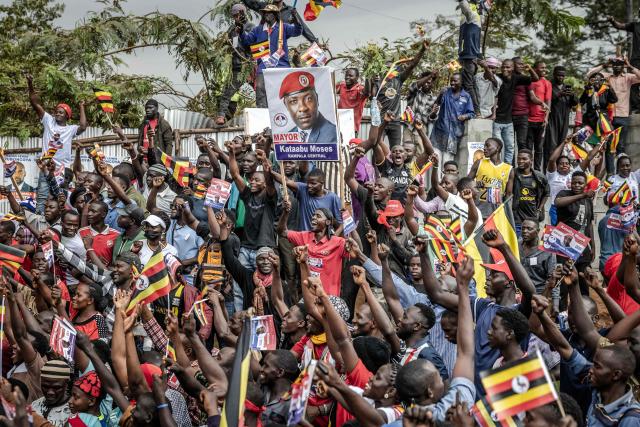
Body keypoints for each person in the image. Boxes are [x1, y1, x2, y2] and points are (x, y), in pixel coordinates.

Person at [239, 4, 303, 108]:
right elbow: (246, 40)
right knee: (260, 88)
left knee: (283, 91)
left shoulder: (283, 27)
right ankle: (263, 113)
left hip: (281, 66)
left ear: (275, 15)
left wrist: (295, 18)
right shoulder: (258, 30)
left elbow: (298, 31)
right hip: (263, 66)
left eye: (268, 13)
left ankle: (283, 113)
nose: (265, 15)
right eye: (264, 13)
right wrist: (241, 30)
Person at [586, 57, 640, 173]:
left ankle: (620, 174)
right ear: (611, 66)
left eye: (620, 64)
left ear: (623, 66)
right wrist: (604, 65)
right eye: (614, 64)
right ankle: (611, 174)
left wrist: (630, 67)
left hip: (623, 116)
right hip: (608, 118)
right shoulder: (606, 76)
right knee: (610, 147)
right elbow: (589, 75)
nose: (616, 66)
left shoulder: (628, 78)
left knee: (620, 147)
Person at [373, 42, 427, 148]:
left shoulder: (398, 80)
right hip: (380, 120)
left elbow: (412, 65)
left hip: (395, 121)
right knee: (377, 147)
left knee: (396, 149)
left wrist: (422, 50)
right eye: (387, 67)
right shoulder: (378, 82)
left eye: (392, 67)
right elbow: (372, 97)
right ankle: (376, 165)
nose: (390, 70)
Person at [26, 74, 87, 167]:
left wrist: (81, 107)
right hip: (46, 166)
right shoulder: (48, 120)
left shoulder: (71, 129)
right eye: (57, 112)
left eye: (61, 112)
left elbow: (83, 126)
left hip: (62, 168)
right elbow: (34, 103)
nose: (57, 113)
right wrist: (30, 83)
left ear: (67, 116)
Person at [555, 171, 595, 295]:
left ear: (585, 185)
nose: (577, 185)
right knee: (564, 281)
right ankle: (561, 311)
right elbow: (558, 202)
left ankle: (586, 309)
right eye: (574, 183)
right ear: (570, 183)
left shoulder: (588, 201)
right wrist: (582, 196)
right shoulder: (564, 194)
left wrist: (593, 246)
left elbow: (589, 224)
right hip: (565, 246)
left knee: (584, 279)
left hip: (582, 246)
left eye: (580, 183)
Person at [494, 58, 539, 164]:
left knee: (516, 144)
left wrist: (530, 69)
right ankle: (505, 167)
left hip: (515, 118)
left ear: (512, 68)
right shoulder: (498, 77)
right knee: (502, 145)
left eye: (508, 67)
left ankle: (515, 167)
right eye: (503, 67)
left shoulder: (517, 78)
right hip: (501, 118)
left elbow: (535, 79)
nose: (505, 69)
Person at [216, 3, 254, 126]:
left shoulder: (251, 27)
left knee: (260, 93)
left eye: (238, 15)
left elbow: (254, 46)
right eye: (234, 16)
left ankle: (267, 114)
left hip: (249, 66)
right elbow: (226, 44)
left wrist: (250, 68)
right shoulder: (232, 29)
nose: (236, 17)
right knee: (227, 93)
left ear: (243, 13)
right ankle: (221, 116)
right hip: (236, 67)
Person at [279, 70, 337, 143]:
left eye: (309, 99)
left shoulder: (332, 134)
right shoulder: (289, 136)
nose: (303, 108)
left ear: (317, 99)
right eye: (293, 101)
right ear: (286, 105)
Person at [429, 73, 475, 164]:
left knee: (448, 161)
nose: (452, 83)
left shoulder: (466, 96)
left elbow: (471, 113)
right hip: (440, 131)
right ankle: (436, 178)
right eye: (451, 81)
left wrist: (464, 116)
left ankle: (445, 178)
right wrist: (440, 94)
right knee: (435, 160)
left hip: (454, 134)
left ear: (461, 82)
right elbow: (436, 104)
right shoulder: (445, 92)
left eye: (455, 81)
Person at [468, 137, 514, 218]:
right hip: (478, 209)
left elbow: (508, 195)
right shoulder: (479, 163)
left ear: (498, 148)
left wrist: (506, 214)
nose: (484, 148)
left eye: (487, 146)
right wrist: (475, 184)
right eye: (484, 146)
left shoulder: (508, 169)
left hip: (496, 212)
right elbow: (466, 183)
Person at [544, 66, 579, 171]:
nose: (560, 77)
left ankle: (559, 171)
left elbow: (575, 103)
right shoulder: (549, 85)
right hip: (552, 120)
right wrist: (559, 94)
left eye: (562, 75)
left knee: (561, 146)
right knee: (551, 147)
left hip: (564, 121)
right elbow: (547, 100)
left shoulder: (566, 87)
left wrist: (572, 95)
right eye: (559, 75)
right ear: (554, 74)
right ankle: (547, 171)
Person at [512, 149, 549, 232]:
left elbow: (546, 194)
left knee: (531, 243)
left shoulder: (540, 177)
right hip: (516, 217)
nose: (520, 161)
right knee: (518, 242)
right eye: (518, 158)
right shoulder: (512, 174)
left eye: (524, 159)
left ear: (531, 160)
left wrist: (539, 209)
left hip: (532, 218)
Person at [457, 0, 483, 113]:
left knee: (468, 85)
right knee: (468, 84)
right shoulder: (476, 18)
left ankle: (476, 111)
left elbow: (464, 5)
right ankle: (474, 109)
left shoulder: (471, 15)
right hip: (470, 56)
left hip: (469, 56)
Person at [527, 61, 552, 170]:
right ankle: (527, 169)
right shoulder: (528, 81)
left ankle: (537, 171)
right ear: (535, 69)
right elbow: (531, 98)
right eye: (541, 68)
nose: (544, 70)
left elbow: (548, 101)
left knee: (539, 148)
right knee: (528, 148)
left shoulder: (547, 83)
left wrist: (546, 118)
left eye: (545, 68)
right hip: (528, 120)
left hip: (541, 120)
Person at [336, 68, 369, 135]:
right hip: (338, 126)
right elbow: (330, 90)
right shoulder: (342, 86)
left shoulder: (360, 89)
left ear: (357, 78)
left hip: (352, 128)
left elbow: (366, 93)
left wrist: (368, 78)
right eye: (346, 75)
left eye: (351, 76)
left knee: (351, 145)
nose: (347, 77)